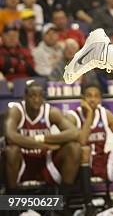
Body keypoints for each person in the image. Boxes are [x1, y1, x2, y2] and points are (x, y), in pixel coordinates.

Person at [5, 82, 80, 216]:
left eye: (40, 96)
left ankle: (61, 203)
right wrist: (43, 145)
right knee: (11, 151)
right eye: (33, 96)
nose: (37, 99)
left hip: (44, 162)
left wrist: (41, 139)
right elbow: (10, 136)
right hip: (22, 162)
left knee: (74, 148)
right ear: (25, 97)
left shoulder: (50, 111)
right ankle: (12, 205)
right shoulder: (16, 110)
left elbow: (74, 133)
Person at [66, 83, 113, 216]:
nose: (92, 99)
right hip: (79, 164)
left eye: (96, 96)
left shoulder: (106, 114)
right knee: (85, 150)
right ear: (82, 98)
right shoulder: (72, 116)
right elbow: (81, 141)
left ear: (100, 99)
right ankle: (88, 205)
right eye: (89, 96)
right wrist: (89, 116)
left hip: (100, 160)